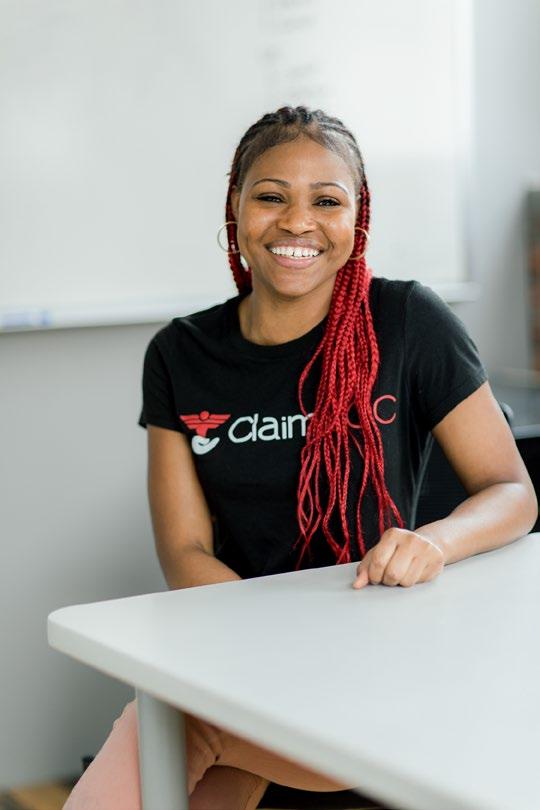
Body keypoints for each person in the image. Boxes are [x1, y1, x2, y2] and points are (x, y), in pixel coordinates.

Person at [64, 105, 538, 810]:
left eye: (326, 201)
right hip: (244, 650)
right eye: (271, 196)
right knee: (177, 731)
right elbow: (185, 550)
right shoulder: (179, 354)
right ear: (235, 207)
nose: (297, 223)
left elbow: (513, 493)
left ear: (358, 216)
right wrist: (268, 653)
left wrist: (433, 542)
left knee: (169, 725)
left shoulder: (409, 320)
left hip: (384, 653)